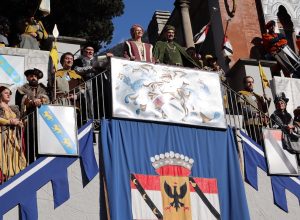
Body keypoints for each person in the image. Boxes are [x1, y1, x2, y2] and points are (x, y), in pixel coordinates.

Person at [73, 44, 112, 121]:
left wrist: (109, 59)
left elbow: (106, 67)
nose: (89, 51)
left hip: (100, 83)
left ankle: (103, 119)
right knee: (89, 102)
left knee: (102, 101)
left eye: (91, 50)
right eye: (87, 50)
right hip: (87, 82)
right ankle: (90, 120)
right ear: (83, 51)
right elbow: (77, 70)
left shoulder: (99, 59)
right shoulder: (78, 61)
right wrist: (92, 68)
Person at [0, 86, 26, 182]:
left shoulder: (13, 109)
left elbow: (18, 120)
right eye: (5, 93)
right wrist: (9, 122)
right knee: (4, 156)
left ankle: (15, 176)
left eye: (9, 93)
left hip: (13, 136)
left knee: (16, 155)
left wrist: (20, 123)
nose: (8, 95)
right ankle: (6, 177)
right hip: (2, 136)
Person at [238, 76, 270, 145]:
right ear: (244, 84)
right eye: (248, 82)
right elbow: (241, 108)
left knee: (264, 144)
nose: (251, 84)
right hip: (251, 123)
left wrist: (267, 101)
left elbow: (264, 110)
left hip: (262, 123)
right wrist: (255, 114)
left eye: (252, 82)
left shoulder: (257, 96)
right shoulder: (242, 94)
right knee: (256, 143)